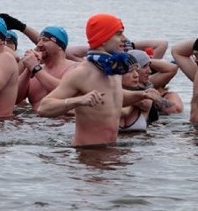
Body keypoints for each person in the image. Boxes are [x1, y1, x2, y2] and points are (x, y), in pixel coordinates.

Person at [37, 13, 140, 147]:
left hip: (110, 150)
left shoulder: (114, 71)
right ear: (103, 38)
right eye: (119, 34)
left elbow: (112, 99)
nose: (124, 39)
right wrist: (79, 100)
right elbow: (44, 107)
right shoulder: (81, 72)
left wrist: (142, 95)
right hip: (87, 155)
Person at [18, 25, 78, 110]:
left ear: (60, 45)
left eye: (45, 40)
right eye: (39, 40)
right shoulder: (34, 70)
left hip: (64, 121)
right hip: (33, 120)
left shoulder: (75, 68)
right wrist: (28, 69)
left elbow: (64, 91)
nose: (39, 44)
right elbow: (15, 99)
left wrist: (35, 67)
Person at [129, 49, 182, 115]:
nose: (149, 71)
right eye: (144, 66)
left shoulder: (149, 87)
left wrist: (147, 59)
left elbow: (172, 69)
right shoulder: (122, 90)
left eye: (149, 66)